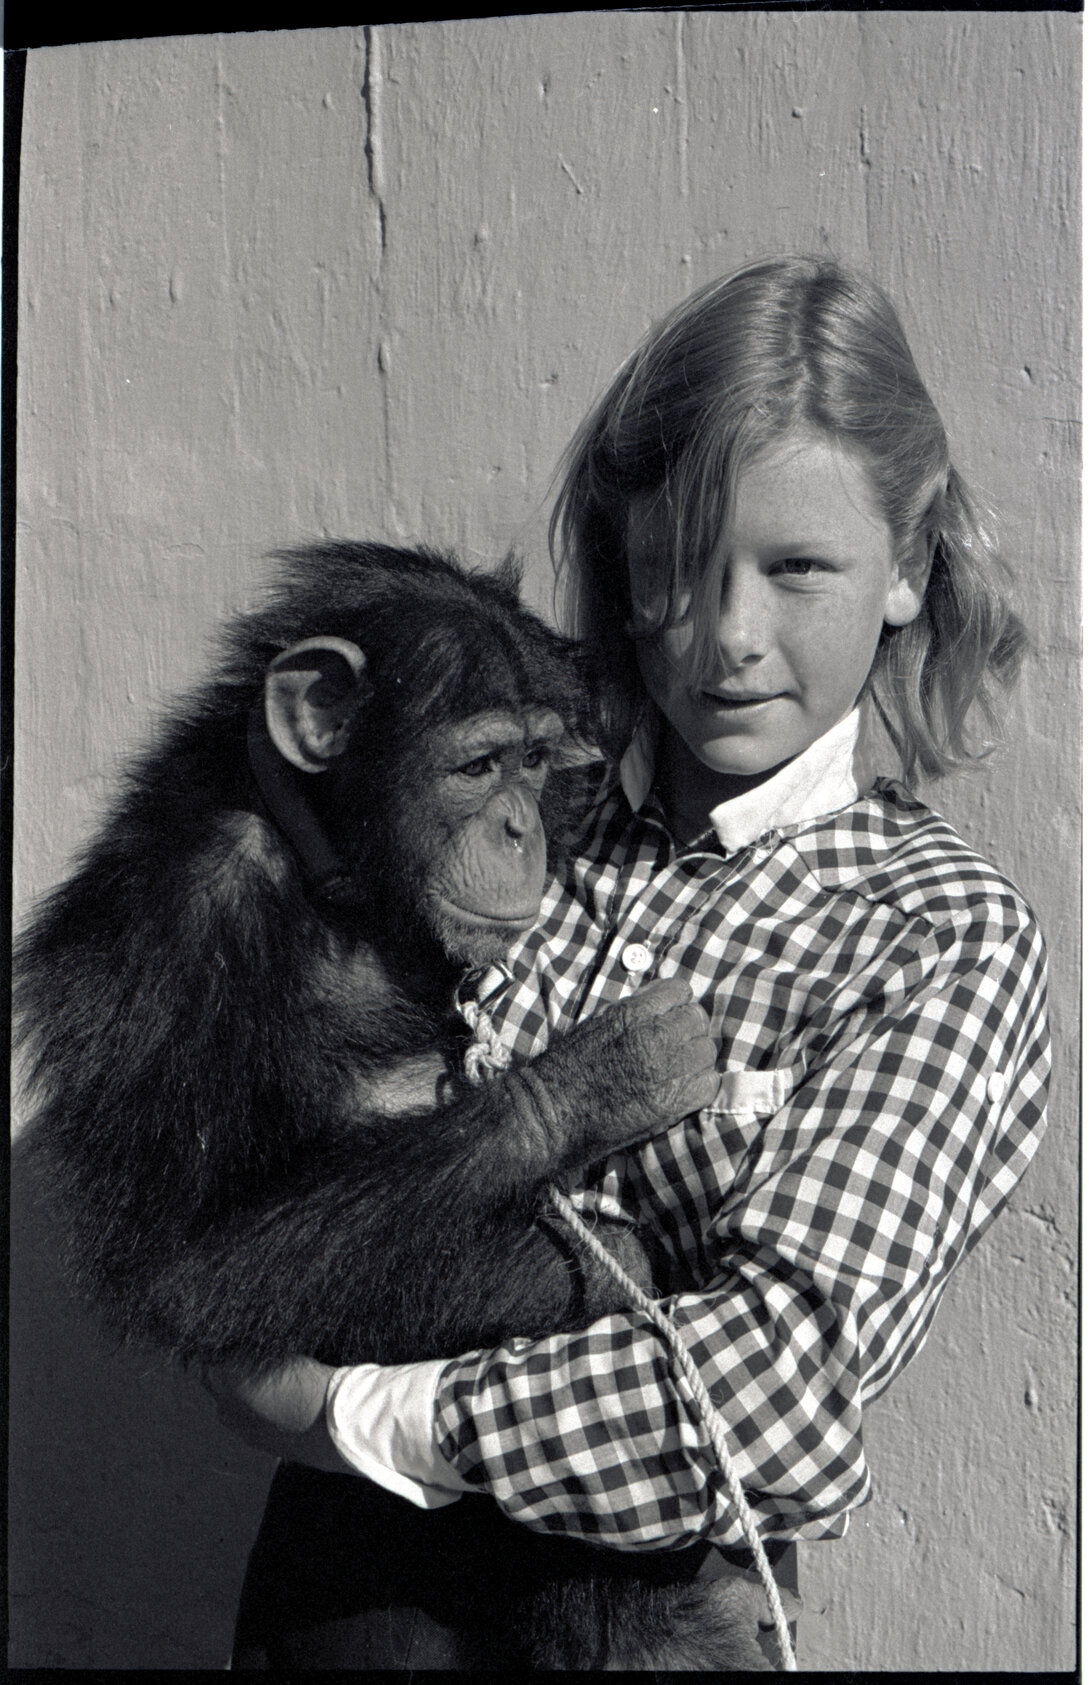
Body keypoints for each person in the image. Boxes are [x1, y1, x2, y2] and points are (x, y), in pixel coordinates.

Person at [213, 256, 1050, 1668]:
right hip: (339, 1603)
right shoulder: (511, 804)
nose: (727, 636)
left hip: (636, 1617)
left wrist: (360, 1413)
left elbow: (770, 1397)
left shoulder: (930, 937)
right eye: (676, 566)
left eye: (796, 569)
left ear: (905, 568)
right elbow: (261, 1162)